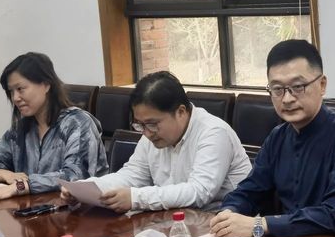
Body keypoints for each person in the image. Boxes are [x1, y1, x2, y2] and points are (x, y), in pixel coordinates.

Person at [209, 39, 335, 237]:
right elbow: (250, 191)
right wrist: (228, 213)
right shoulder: (277, 137)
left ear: (322, 85)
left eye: (297, 87)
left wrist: (260, 225)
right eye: (277, 89)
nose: (287, 99)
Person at [63, 71, 251, 213]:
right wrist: (86, 188)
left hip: (222, 222)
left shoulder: (214, 133)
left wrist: (136, 198)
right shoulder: (151, 134)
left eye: (152, 124)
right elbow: (132, 176)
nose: (146, 133)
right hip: (175, 220)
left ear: (181, 112)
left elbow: (199, 192)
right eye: (140, 124)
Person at [0, 52, 108, 203]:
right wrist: (6, 175)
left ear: (46, 85)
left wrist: (21, 186)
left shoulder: (78, 123)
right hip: (34, 210)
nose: (15, 98)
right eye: (11, 91)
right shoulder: (21, 129)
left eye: (20, 89)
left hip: (81, 212)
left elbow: (75, 176)